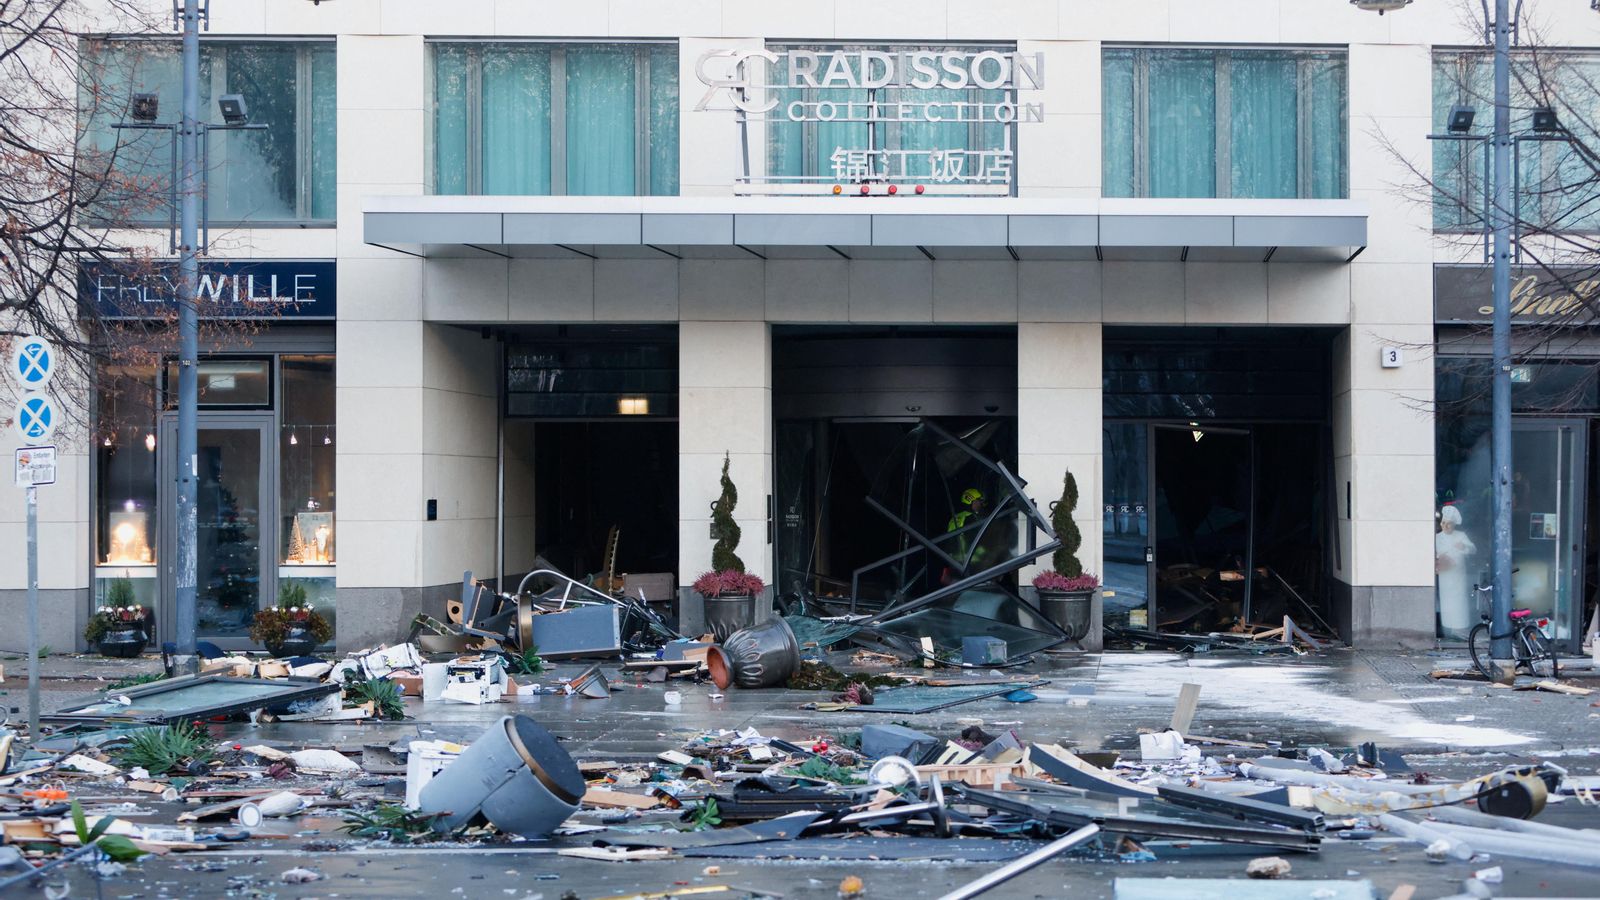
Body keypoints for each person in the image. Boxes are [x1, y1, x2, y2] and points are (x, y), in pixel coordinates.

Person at [1436, 504, 1477, 639]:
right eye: (1443, 523)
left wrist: (1463, 546)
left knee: (1459, 602)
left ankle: (1460, 629)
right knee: (1447, 602)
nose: (1445, 526)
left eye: (1448, 523)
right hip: (1445, 575)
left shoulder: (1461, 535)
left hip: (1458, 575)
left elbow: (1473, 550)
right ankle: (1448, 629)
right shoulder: (1437, 537)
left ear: (1453, 525)